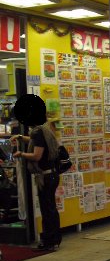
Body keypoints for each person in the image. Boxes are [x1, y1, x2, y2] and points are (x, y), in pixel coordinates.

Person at [12, 96, 61, 251]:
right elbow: (35, 142)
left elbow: (37, 155)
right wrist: (21, 137)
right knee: (50, 208)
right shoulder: (44, 129)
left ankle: (49, 241)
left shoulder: (38, 132)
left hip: (45, 176)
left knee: (47, 209)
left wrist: (21, 154)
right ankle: (54, 239)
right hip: (51, 175)